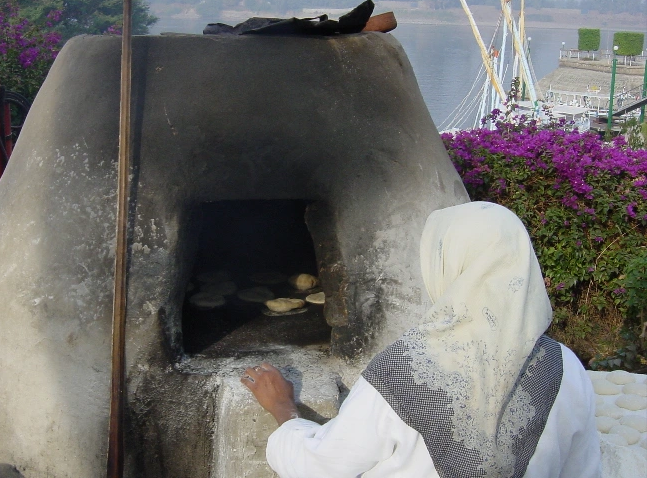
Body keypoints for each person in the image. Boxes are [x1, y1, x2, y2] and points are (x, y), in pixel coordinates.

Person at [241, 201, 601, 478]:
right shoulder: (565, 366)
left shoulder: (406, 372)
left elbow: (323, 467)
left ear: (447, 267)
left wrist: (284, 410)